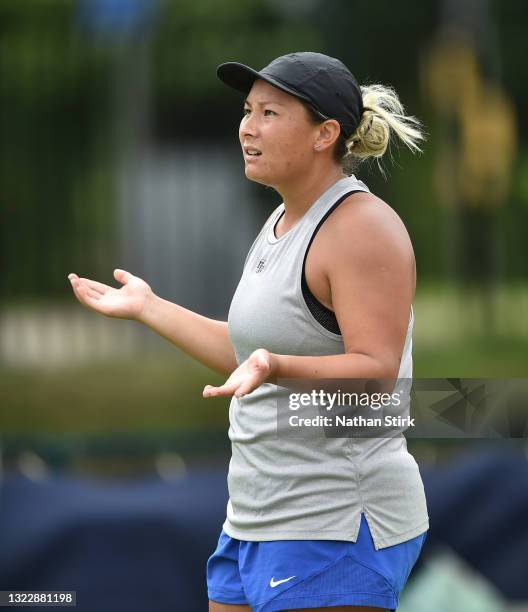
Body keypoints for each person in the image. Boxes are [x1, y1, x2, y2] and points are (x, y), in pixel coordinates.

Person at [68, 51, 429, 612]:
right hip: (255, 517)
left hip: (335, 524)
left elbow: (378, 373)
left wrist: (277, 366)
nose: (247, 127)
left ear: (324, 134)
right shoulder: (282, 221)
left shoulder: (362, 227)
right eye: (247, 110)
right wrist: (149, 307)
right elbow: (246, 356)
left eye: (270, 113)